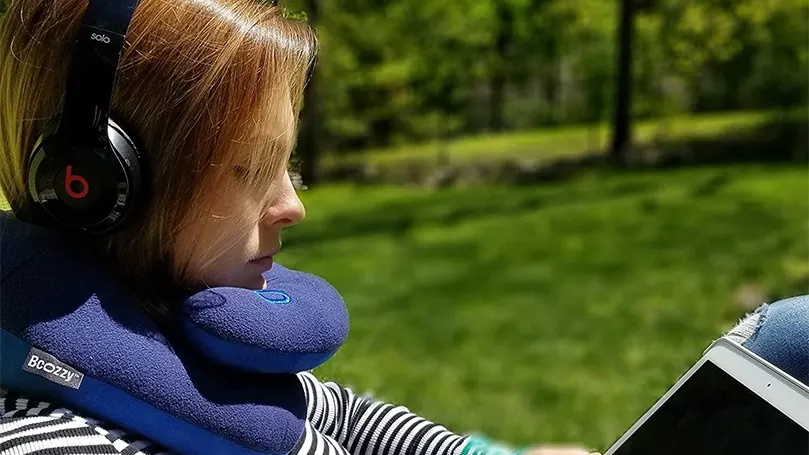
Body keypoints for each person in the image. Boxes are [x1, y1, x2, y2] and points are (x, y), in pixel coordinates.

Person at [0, 0, 600, 453]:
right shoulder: (48, 437)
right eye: (255, 167)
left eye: (286, 164)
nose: (292, 205)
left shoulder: (173, 330)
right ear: (95, 181)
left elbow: (339, 413)